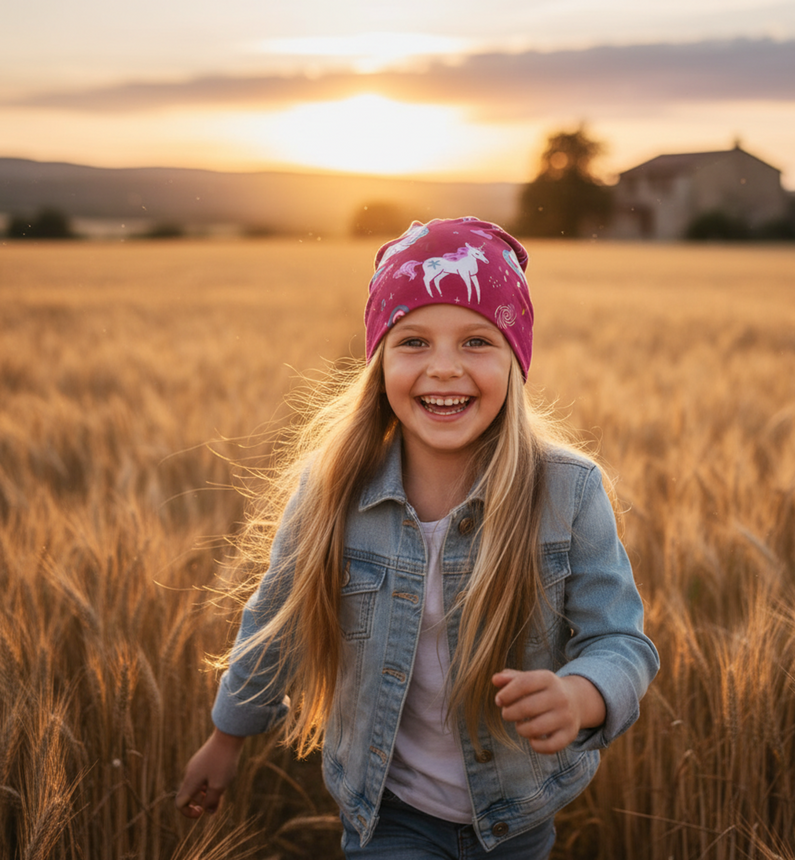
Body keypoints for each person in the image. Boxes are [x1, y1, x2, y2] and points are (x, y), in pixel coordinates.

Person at [176, 217, 659, 858]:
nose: (444, 369)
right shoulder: (333, 490)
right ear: (379, 362)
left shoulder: (568, 492)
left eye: (478, 341)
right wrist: (227, 736)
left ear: (516, 358)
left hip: (519, 818)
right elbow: (277, 620)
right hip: (389, 815)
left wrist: (583, 694)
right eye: (413, 342)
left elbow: (620, 640)